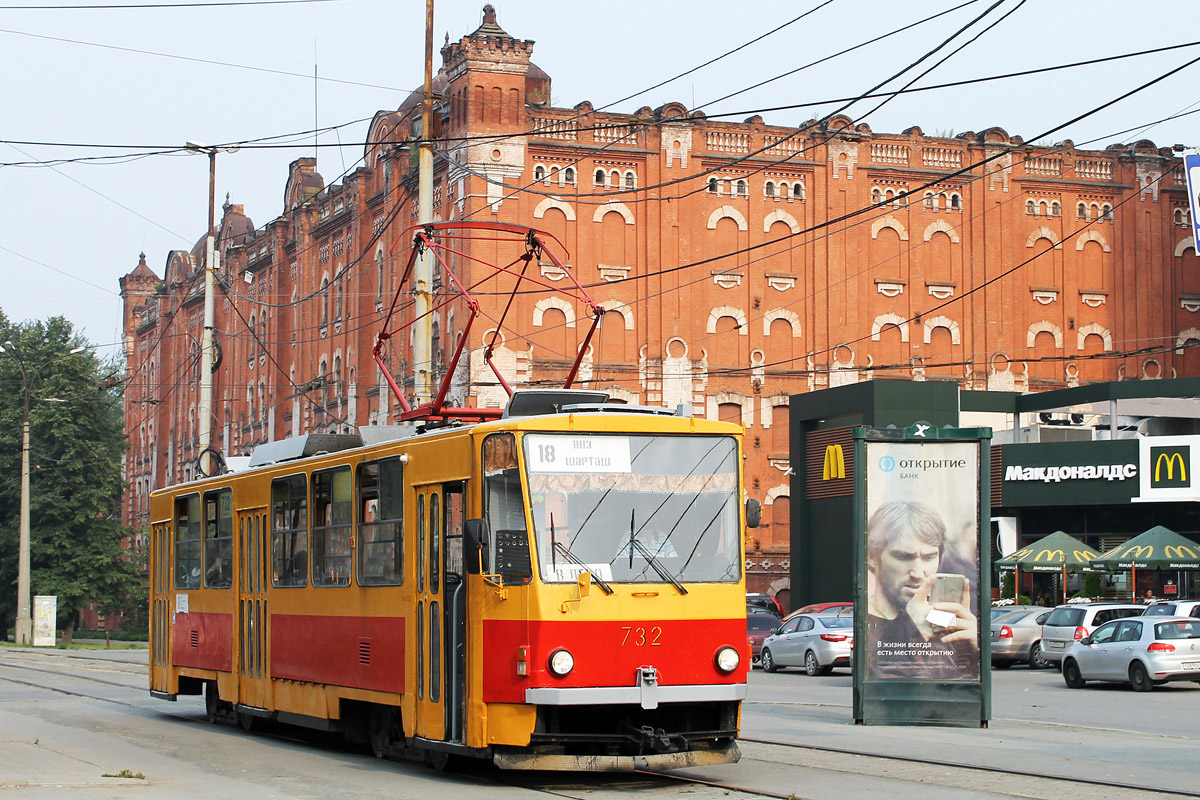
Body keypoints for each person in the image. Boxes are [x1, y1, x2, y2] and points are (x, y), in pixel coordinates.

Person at [865, 500, 979, 680]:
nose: (918, 573)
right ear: (872, 557)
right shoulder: (866, 625)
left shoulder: (945, 622)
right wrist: (911, 631)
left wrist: (972, 651)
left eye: (929, 557)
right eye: (903, 557)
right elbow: (882, 684)